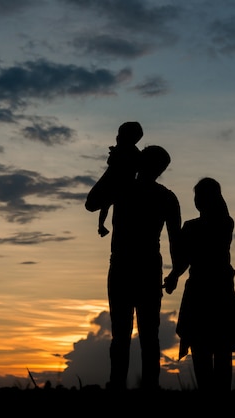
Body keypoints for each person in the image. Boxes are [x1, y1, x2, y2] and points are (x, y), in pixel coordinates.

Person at [87, 144, 182, 390]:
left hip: (126, 266)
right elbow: (176, 243)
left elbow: (92, 203)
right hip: (142, 268)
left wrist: (114, 168)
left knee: (125, 334)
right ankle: (143, 387)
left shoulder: (124, 188)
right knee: (146, 335)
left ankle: (121, 385)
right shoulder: (164, 196)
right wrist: (174, 273)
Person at [163, 177, 235, 397]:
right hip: (217, 292)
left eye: (200, 196)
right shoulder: (225, 223)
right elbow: (184, 260)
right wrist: (173, 276)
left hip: (204, 293)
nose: (198, 200)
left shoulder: (200, 226)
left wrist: (173, 276)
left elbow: (183, 259)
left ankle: (210, 396)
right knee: (217, 350)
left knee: (208, 350)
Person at [85, 121, 143, 237]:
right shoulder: (124, 150)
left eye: (120, 136)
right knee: (103, 203)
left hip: (119, 185)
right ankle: (101, 226)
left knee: (103, 203)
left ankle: (101, 226)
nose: (117, 138)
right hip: (115, 184)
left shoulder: (130, 152)